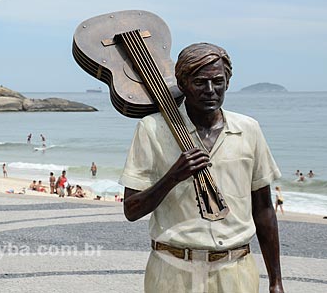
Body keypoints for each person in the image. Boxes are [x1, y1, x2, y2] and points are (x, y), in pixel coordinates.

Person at [120, 43, 283, 293]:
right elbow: (131, 210)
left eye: (218, 81)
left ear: (228, 82)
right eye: (199, 82)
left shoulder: (248, 129)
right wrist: (173, 177)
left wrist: (276, 282)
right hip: (172, 271)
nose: (210, 91)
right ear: (182, 84)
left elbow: (263, 209)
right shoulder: (152, 129)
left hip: (236, 272)